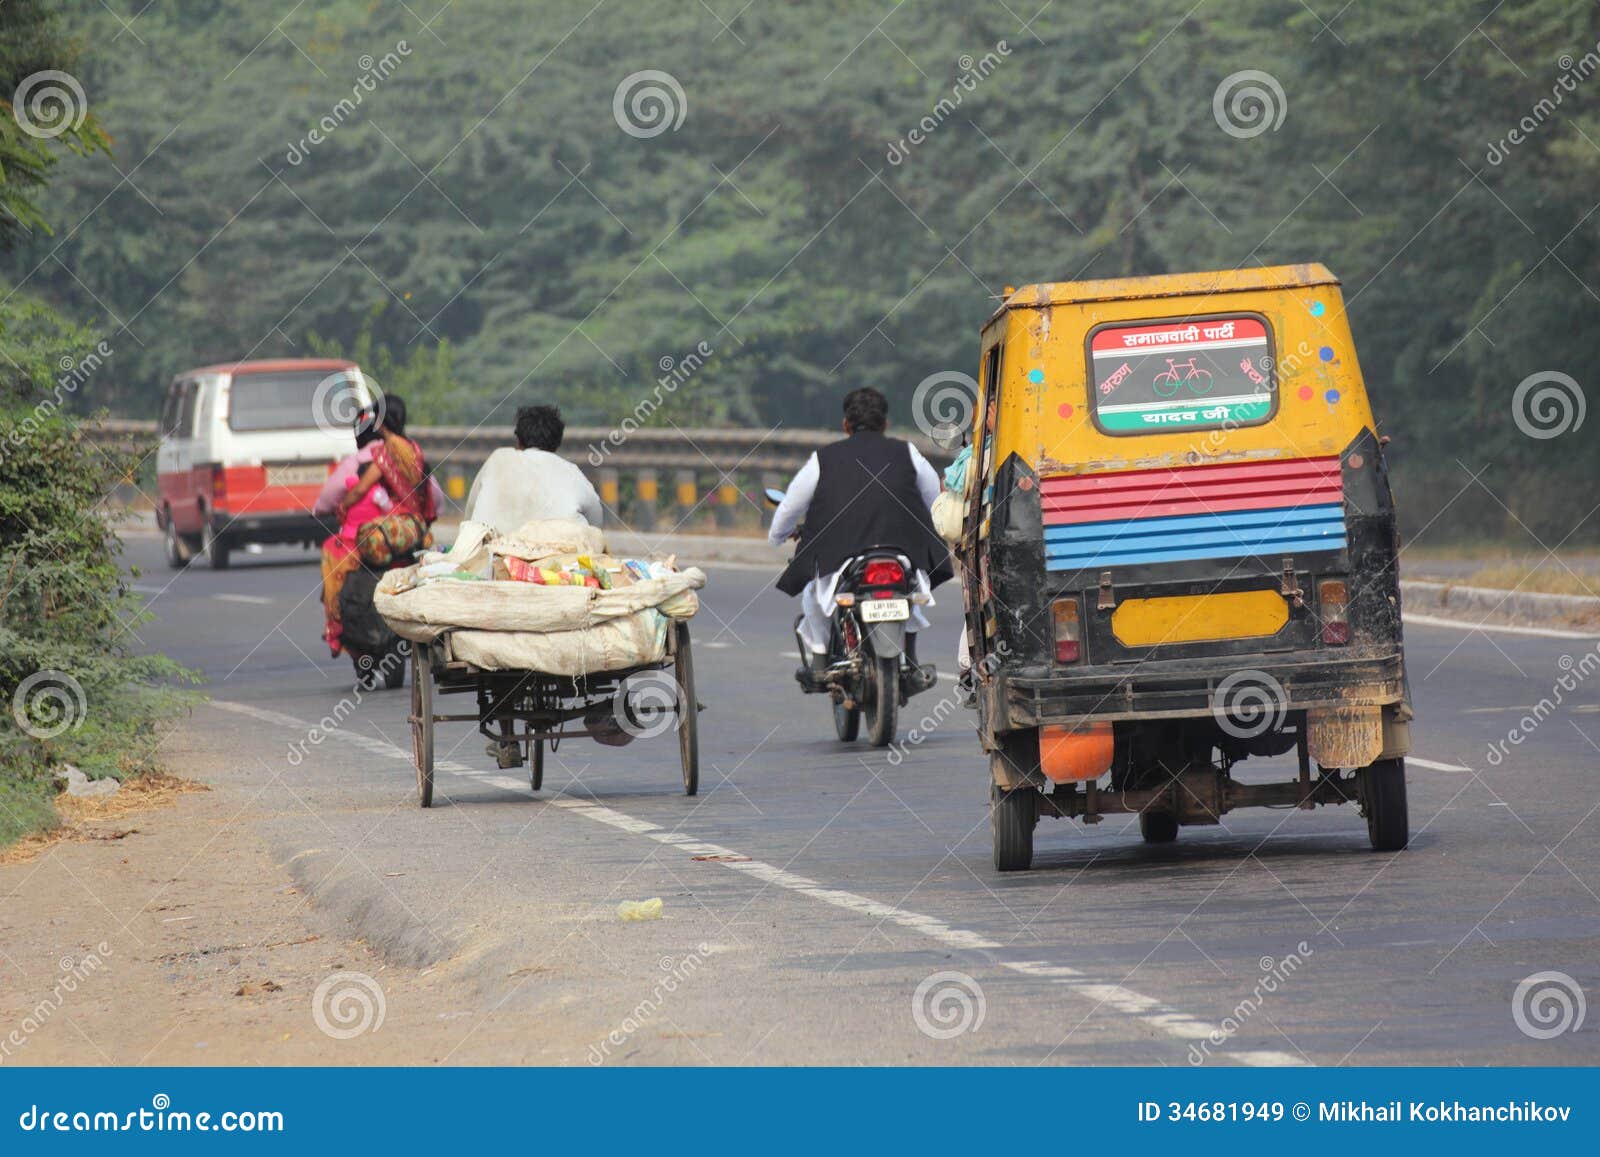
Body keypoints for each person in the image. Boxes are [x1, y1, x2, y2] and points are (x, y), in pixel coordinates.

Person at [768, 386, 951, 685]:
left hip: (841, 554)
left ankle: (819, 658)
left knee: (815, 594)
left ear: (845, 425)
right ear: (885, 424)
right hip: (902, 551)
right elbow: (935, 502)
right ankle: (911, 658)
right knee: (914, 589)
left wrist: (778, 536)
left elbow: (791, 506)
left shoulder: (824, 459)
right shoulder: (908, 453)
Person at [317, 396, 438, 656]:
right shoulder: (414, 448)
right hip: (418, 529)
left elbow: (360, 488)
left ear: (381, 422)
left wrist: (342, 507)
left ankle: (337, 629)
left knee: (335, 556)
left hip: (397, 525)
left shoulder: (385, 453)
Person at [463, 404, 603, 533]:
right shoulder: (571, 472)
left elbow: (471, 510)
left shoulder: (497, 459)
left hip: (492, 553)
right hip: (557, 555)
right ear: (557, 443)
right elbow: (596, 521)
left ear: (518, 440)